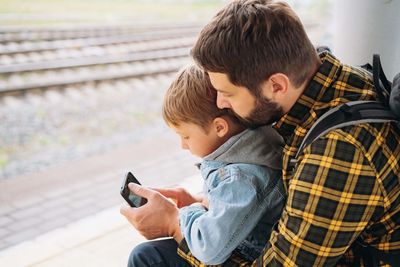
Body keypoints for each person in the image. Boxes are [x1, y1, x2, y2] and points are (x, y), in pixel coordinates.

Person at [121, 0, 400, 266]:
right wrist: (208, 207)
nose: (220, 104)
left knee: (150, 259)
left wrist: (175, 224)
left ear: (276, 85)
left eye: (227, 93)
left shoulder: (339, 151)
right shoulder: (335, 84)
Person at [121, 64, 286, 266]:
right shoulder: (249, 148)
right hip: (239, 242)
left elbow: (209, 249)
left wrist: (175, 219)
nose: (183, 145)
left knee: (146, 258)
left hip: (247, 254)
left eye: (186, 136)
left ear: (219, 127)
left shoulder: (240, 177)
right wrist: (197, 201)